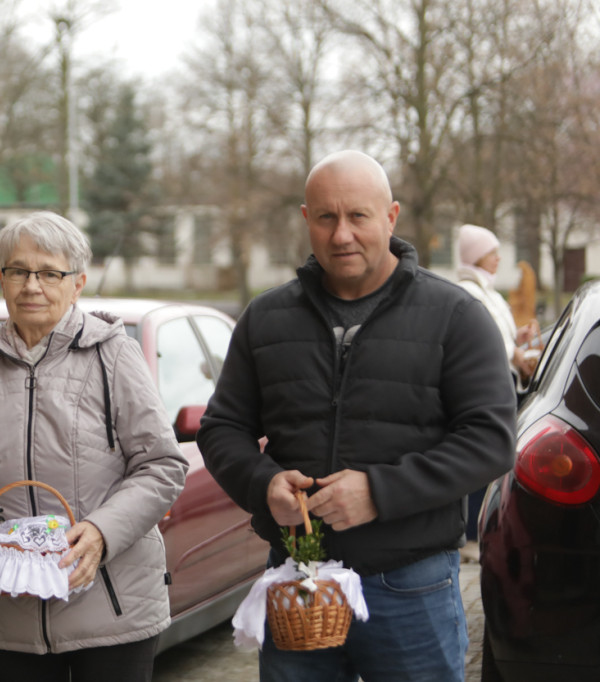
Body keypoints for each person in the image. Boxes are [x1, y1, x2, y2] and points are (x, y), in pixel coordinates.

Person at [197, 150, 517, 682]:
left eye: (358, 216)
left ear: (390, 217)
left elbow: (490, 440)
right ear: (306, 220)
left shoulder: (456, 317)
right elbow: (222, 428)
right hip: (299, 580)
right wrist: (264, 484)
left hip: (411, 585)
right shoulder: (265, 318)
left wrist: (378, 492)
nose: (342, 234)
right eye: (326, 217)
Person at [0, 211, 188, 682]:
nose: (32, 285)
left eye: (50, 273)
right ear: (2, 278)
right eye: (19, 271)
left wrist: (100, 533)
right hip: (10, 610)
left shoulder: (113, 354)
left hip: (110, 606)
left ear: (77, 284)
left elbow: (162, 465)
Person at [455, 223, 540, 387]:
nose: (498, 258)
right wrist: (513, 353)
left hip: (503, 381)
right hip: (491, 384)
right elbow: (477, 340)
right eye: (492, 253)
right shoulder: (469, 292)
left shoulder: (489, 292)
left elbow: (494, 333)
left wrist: (515, 336)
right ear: (477, 257)